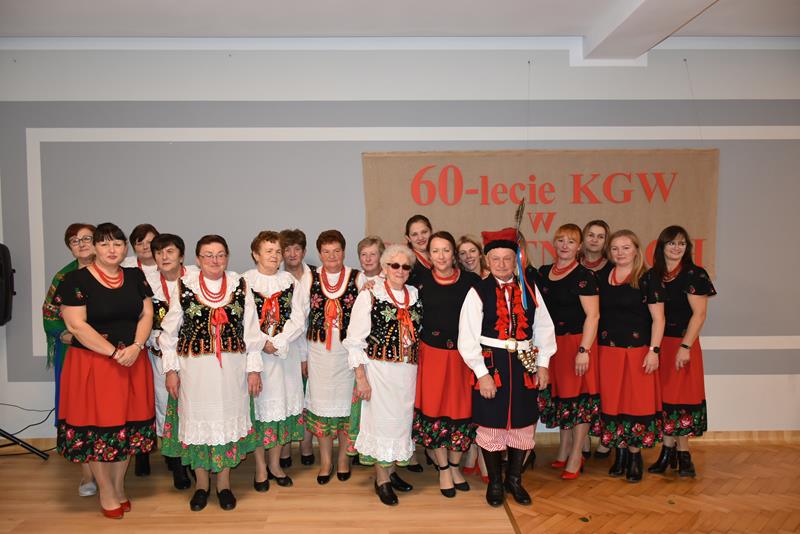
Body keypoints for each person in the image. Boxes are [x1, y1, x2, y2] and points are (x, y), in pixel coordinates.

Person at [54, 222, 156, 519]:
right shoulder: (75, 280)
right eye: (105, 244)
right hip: (95, 364)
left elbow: (146, 314)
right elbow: (76, 325)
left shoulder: (135, 276)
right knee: (98, 430)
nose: (112, 250)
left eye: (118, 244)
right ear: (95, 248)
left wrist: (136, 346)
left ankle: (119, 486)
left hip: (132, 360)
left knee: (126, 428)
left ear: (125, 249)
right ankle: (106, 491)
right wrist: (113, 352)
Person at [160, 235, 267, 512]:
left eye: (220, 254)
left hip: (231, 371)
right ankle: (201, 485)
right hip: (194, 372)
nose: (214, 260)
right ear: (198, 259)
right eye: (208, 255)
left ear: (227, 257)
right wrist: (171, 370)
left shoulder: (240, 285)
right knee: (198, 424)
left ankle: (224, 485)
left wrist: (253, 370)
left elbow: (251, 331)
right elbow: (169, 333)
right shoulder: (184, 285)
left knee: (225, 423)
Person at [458, 228, 556, 507]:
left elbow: (544, 328)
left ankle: (515, 480)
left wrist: (543, 364)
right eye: (496, 259)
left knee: (522, 424)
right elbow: (467, 338)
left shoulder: (529, 289)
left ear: (516, 260)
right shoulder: (478, 292)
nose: (501, 264)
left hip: (524, 365)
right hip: (493, 365)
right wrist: (482, 375)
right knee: (492, 424)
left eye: (507, 258)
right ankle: (496, 483)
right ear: (487, 261)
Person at [344, 244, 422, 506]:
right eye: (394, 265)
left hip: (407, 373)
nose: (400, 270)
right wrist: (361, 378)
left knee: (400, 424)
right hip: (379, 371)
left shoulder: (414, 294)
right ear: (385, 268)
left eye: (405, 266)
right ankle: (381, 479)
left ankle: (392, 471)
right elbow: (355, 339)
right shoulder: (370, 294)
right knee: (380, 423)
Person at [413, 231, 479, 498]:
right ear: (429, 255)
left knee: (460, 413)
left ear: (454, 254)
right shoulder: (418, 282)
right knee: (434, 413)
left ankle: (454, 466)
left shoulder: (472, 282)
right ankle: (442, 469)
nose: (441, 256)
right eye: (435, 251)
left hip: (463, 358)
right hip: (432, 356)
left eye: (446, 250)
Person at [295, 230, 365, 484]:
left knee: (346, 408)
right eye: (326, 251)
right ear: (320, 253)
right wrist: (303, 356)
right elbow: (300, 319)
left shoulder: (357, 278)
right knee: (321, 407)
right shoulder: (309, 278)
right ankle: (326, 461)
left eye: (336, 251)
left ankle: (344, 459)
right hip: (318, 355)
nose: (332, 256)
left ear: (344, 252)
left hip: (347, 355)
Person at [597, 230, 665, 483]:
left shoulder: (647, 278)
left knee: (636, 404)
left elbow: (659, 319)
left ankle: (635, 457)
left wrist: (654, 351)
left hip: (638, 352)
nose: (620, 253)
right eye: (615, 248)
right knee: (613, 403)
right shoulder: (603, 277)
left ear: (636, 250)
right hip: (608, 352)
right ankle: (621, 453)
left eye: (626, 247)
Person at [648, 225, 715, 478]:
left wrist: (685, 346)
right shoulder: (654, 275)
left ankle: (684, 454)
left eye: (682, 243)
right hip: (659, 345)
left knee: (682, 399)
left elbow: (700, 314)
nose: (677, 248)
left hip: (683, 344)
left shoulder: (694, 274)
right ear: (662, 246)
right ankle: (667, 452)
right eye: (672, 243)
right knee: (665, 399)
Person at [244, 231, 307, 490]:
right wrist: (263, 342)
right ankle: (260, 467)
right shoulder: (244, 282)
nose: (274, 255)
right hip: (256, 357)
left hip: (285, 355)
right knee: (261, 412)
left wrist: (279, 341)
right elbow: (243, 320)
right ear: (256, 254)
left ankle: (275, 464)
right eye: (268, 251)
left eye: (278, 251)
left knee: (282, 410)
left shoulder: (290, 281)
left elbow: (299, 317)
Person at [537, 224, 600, 480]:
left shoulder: (584, 276)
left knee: (579, 401)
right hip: (552, 346)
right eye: (561, 240)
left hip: (576, 344)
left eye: (571, 241)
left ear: (579, 247)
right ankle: (563, 449)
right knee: (563, 399)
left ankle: (576, 454)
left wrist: (584, 349)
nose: (565, 245)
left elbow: (593, 316)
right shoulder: (543, 273)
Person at [42, 222, 97, 497]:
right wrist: (64, 334)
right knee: (80, 413)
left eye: (87, 238)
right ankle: (87, 475)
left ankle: (109, 470)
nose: (82, 244)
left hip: (108, 353)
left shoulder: (113, 272)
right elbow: (49, 314)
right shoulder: (63, 277)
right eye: (75, 240)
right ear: (69, 247)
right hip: (74, 353)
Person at [145, 233, 193, 490]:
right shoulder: (146, 285)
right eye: (159, 253)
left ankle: (193, 458)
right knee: (166, 407)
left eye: (170, 252)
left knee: (192, 407)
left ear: (181, 256)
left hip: (194, 358)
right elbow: (141, 320)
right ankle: (176, 465)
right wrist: (155, 339)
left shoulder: (195, 278)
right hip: (161, 358)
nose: (164, 257)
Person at [121, 223, 159, 475]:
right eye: (139, 242)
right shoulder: (125, 269)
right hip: (136, 344)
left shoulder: (170, 266)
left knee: (166, 400)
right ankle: (141, 453)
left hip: (164, 345)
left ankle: (173, 457)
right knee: (141, 399)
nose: (146, 246)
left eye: (150, 241)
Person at [279, 228, 314, 467]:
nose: (292, 253)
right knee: (288, 398)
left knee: (310, 397)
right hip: (287, 348)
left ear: (304, 251)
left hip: (316, 347)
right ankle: (284, 449)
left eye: (297, 248)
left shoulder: (317, 277)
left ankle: (306, 444)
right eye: (287, 249)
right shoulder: (276, 279)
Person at [578, 219, 611, 458]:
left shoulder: (613, 267)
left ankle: (607, 438)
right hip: (580, 337)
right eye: (591, 235)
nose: (595, 240)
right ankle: (584, 439)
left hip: (607, 337)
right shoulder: (573, 266)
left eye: (600, 236)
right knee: (584, 391)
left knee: (605, 390)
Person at [405, 214, 433, 288]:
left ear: (431, 232)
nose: (420, 238)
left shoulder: (441, 256)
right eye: (414, 234)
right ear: (408, 238)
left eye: (424, 232)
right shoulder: (407, 263)